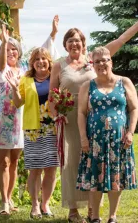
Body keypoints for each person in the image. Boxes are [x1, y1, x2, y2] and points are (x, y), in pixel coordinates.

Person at [49, 21, 138, 222]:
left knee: (94, 164)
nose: (74, 44)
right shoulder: (59, 65)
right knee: (71, 164)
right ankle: (73, 209)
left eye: (78, 40)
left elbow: (121, 40)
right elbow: (52, 96)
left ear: (83, 43)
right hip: (71, 118)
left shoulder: (94, 60)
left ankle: (92, 210)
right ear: (65, 44)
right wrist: (56, 117)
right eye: (70, 41)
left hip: (96, 115)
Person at [0, 16, 59, 215]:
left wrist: (53, 33)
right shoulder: (0, 68)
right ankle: (4, 200)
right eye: (7, 49)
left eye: (13, 49)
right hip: (3, 121)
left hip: (21, 121)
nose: (10, 52)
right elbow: (4, 63)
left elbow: (42, 57)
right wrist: (3, 42)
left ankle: (10, 199)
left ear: (19, 54)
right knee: (4, 162)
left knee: (15, 162)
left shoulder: (25, 72)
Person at [76, 46, 137, 223]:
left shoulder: (124, 82)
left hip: (119, 140)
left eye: (105, 60)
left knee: (116, 177)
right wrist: (83, 138)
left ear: (111, 61)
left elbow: (134, 108)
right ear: (93, 65)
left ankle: (112, 217)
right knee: (95, 178)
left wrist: (131, 132)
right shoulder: (88, 86)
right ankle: (95, 217)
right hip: (95, 140)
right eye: (97, 61)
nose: (102, 63)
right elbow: (81, 113)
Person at [7, 47, 59, 219]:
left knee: (51, 169)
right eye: (36, 59)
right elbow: (18, 102)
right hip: (33, 130)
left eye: (43, 59)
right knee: (35, 169)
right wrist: (14, 88)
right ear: (32, 63)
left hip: (53, 128)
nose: (40, 62)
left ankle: (45, 204)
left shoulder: (55, 78)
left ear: (49, 61)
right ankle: (35, 205)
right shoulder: (26, 79)